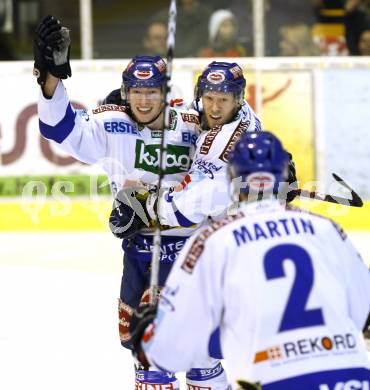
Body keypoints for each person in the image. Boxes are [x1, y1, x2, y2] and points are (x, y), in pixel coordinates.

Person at [33, 15, 230, 390]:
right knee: (148, 355)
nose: (143, 100)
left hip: (195, 254)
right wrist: (51, 77)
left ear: (164, 92)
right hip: (140, 253)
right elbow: (57, 128)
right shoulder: (110, 124)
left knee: (204, 358)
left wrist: (269, 164)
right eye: (136, 92)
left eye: (152, 92)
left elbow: (238, 130)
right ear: (125, 92)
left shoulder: (192, 122)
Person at [130, 131, 370, 389]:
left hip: (271, 380)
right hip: (350, 378)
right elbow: (363, 313)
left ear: (232, 179)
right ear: (285, 176)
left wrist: (149, 334)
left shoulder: (212, 240)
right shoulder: (327, 229)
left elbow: (173, 352)